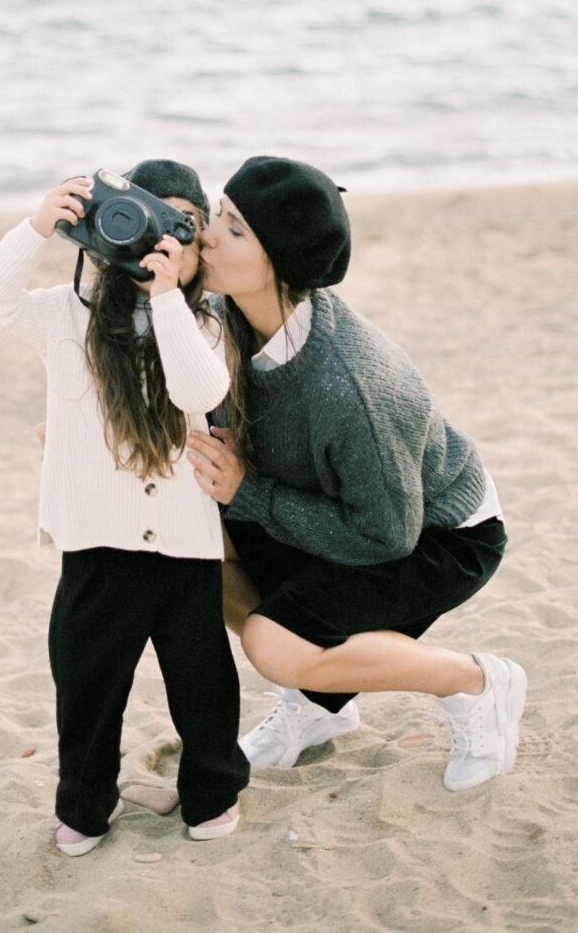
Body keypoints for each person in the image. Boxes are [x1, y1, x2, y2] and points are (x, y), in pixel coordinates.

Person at [185, 155, 526, 792]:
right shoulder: (230, 317)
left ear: (277, 264)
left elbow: (386, 535)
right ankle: (319, 709)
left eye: (232, 230)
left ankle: (476, 682)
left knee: (274, 643)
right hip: (328, 503)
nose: (207, 236)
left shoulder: (351, 386)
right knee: (193, 554)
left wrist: (248, 491)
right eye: (216, 215)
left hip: (438, 534)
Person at [0, 160, 249, 855]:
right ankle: (84, 808)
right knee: (87, 687)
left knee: (201, 684)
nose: (158, 241)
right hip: (96, 542)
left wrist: (166, 297)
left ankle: (210, 795)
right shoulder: (67, 316)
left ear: (196, 240)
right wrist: (38, 227)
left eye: (177, 227)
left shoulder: (203, 321)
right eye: (143, 218)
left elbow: (194, 390)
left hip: (182, 543)